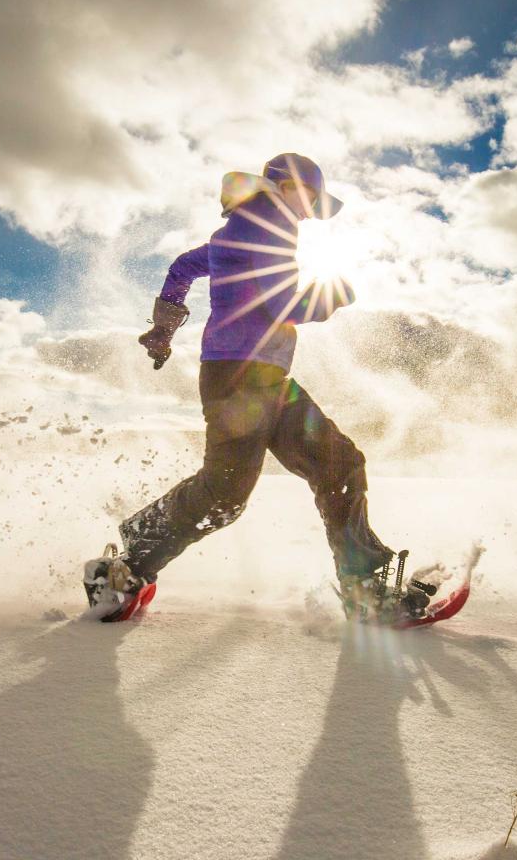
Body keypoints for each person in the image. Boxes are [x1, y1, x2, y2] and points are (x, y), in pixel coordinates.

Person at [84, 153, 423, 621]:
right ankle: (124, 568)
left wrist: (165, 326)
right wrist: (334, 295)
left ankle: (364, 589)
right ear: (283, 189)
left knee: (338, 464)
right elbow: (283, 304)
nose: (309, 211)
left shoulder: (246, 230)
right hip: (237, 377)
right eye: (307, 200)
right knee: (226, 493)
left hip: (266, 378)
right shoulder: (262, 230)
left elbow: (184, 266)